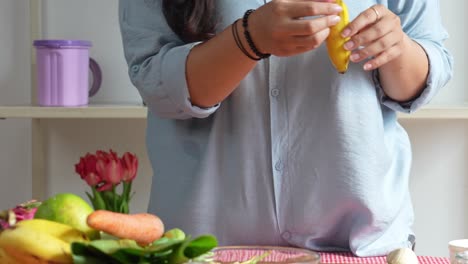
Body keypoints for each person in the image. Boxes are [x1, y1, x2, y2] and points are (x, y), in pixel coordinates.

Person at [118, 0, 453, 257]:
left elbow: (429, 67)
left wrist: (397, 48)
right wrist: (248, 39)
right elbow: (155, 83)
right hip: (207, 250)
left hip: (361, 247)